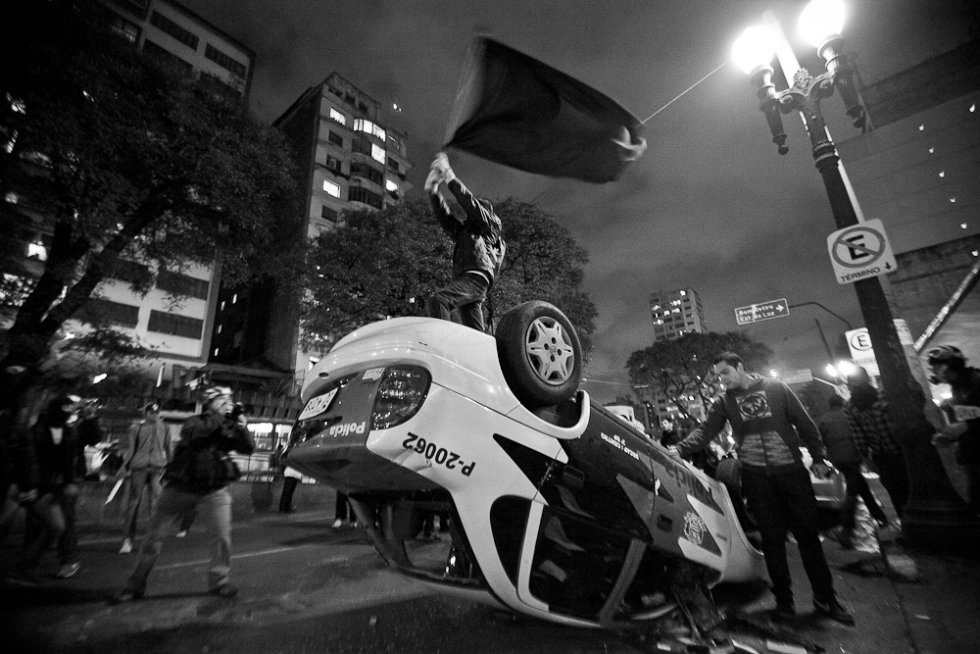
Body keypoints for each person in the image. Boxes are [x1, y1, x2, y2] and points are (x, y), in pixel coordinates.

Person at [668, 352, 854, 625]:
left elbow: (804, 423)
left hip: (791, 473)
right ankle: (784, 604)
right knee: (772, 541)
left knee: (808, 538)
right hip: (756, 479)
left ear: (739, 367)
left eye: (725, 373)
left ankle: (826, 599)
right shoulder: (724, 402)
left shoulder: (776, 388)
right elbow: (706, 431)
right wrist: (680, 448)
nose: (722, 380)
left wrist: (818, 457)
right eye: (718, 376)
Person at [111, 386, 254, 602]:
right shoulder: (194, 421)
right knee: (154, 538)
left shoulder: (229, 425)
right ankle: (134, 585)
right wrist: (220, 417)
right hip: (180, 487)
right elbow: (194, 434)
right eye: (222, 400)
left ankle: (219, 581)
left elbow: (248, 448)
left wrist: (242, 428)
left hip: (214, 489)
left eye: (229, 401)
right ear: (210, 404)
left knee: (221, 538)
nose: (228, 404)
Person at [424, 151, 505, 332]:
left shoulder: (491, 225)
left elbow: (469, 203)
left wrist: (449, 175)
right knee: (474, 333)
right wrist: (433, 191)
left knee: (439, 300)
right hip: (470, 278)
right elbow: (446, 218)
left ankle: (442, 344)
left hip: (477, 275)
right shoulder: (466, 232)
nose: (469, 215)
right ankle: (482, 351)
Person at [11, 394, 81, 582]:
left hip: (58, 486)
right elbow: (28, 461)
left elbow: (69, 462)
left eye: (70, 410)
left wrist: (69, 482)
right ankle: (28, 566)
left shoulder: (69, 433)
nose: (68, 414)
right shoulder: (36, 432)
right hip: (38, 486)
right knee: (44, 525)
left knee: (59, 524)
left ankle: (31, 565)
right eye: (65, 409)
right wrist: (29, 486)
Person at [818, 394, 890, 547]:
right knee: (852, 491)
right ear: (842, 403)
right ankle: (847, 528)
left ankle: (880, 517)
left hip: (836, 460)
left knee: (860, 486)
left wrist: (828, 461)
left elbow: (820, 442)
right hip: (852, 457)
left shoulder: (824, 420)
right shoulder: (848, 416)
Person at [843, 366, 910, 518]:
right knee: (905, 486)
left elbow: (859, 436)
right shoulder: (883, 396)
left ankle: (906, 520)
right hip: (897, 450)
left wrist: (867, 457)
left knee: (895, 490)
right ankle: (911, 520)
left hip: (885, 454)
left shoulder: (850, 406)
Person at [927, 345, 980, 514]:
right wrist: (950, 436)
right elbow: (968, 419)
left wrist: (965, 426)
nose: (934, 372)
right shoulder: (958, 387)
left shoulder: (975, 382)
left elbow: (970, 421)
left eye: (937, 367)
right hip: (972, 455)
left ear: (952, 365)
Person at [118, 402, 171, 554]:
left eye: (156, 413)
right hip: (139, 467)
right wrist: (124, 466)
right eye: (151, 413)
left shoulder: (165, 428)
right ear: (146, 414)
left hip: (156, 467)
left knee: (155, 504)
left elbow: (168, 449)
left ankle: (153, 540)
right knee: (134, 503)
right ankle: (127, 540)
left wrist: (171, 466)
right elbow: (131, 449)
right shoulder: (137, 428)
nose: (154, 415)